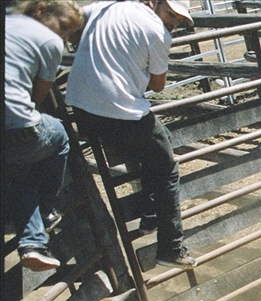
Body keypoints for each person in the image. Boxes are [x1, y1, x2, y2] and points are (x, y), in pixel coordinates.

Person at [65, 0, 196, 269]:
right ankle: (171, 248)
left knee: (161, 140)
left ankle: (149, 214)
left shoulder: (109, 7)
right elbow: (158, 85)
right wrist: (136, 62)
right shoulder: (159, 33)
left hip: (81, 109)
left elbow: (75, 22)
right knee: (167, 168)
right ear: (155, 2)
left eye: (179, 19)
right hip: (119, 113)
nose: (174, 21)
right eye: (171, 13)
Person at [3, 0, 85, 272]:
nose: (63, 37)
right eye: (63, 27)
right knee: (59, 136)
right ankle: (46, 209)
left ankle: (32, 243)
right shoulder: (49, 41)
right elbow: (39, 95)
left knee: (20, 171)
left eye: (67, 34)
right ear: (40, 10)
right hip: (15, 128)